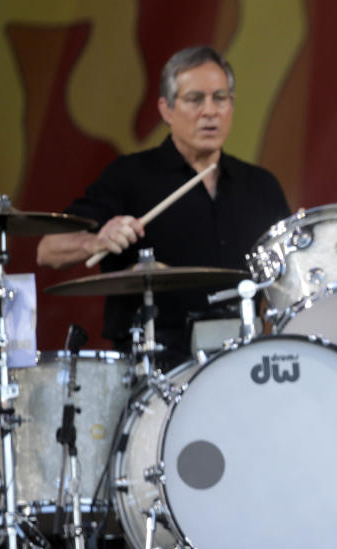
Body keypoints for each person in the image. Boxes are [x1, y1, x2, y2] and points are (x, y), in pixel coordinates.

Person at [37, 46, 291, 366]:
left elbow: (287, 280)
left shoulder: (261, 186)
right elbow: (48, 249)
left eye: (220, 98)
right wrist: (96, 240)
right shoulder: (129, 177)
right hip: (156, 369)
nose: (210, 111)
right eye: (195, 99)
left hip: (244, 361)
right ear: (166, 109)